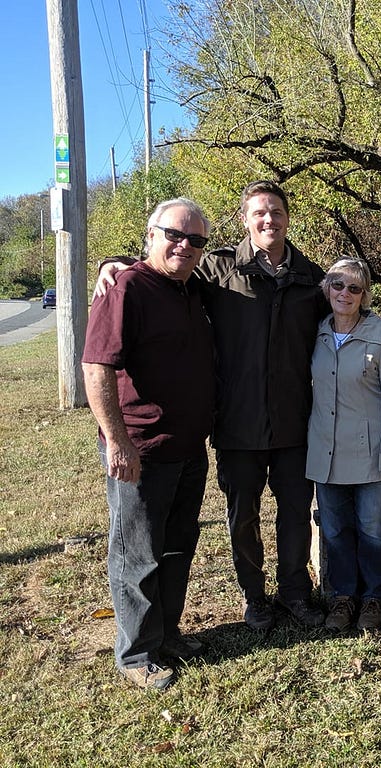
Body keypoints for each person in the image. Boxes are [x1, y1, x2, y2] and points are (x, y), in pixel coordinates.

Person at [97, 180, 381, 632]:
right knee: (243, 519)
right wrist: (115, 263)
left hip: (296, 427)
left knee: (296, 517)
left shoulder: (310, 279)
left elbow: (349, 309)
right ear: (245, 219)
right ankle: (255, 597)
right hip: (236, 424)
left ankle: (296, 593)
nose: (269, 220)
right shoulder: (218, 271)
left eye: (277, 212)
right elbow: (166, 267)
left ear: (287, 219)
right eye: (259, 212)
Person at [83, 198, 215, 690]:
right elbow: (96, 366)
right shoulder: (125, 287)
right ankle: (136, 653)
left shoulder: (192, 289)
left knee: (178, 548)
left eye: (195, 240)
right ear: (151, 235)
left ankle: (167, 633)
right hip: (140, 448)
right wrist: (118, 443)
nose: (185, 245)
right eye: (174, 235)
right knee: (136, 554)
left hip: (188, 447)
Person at [307, 258, 381, 632]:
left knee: (372, 530)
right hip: (326, 452)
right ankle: (342, 598)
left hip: (371, 456)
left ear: (365, 294)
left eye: (354, 288)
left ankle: (371, 599)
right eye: (338, 285)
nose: (345, 294)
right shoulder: (314, 334)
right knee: (334, 530)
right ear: (326, 289)